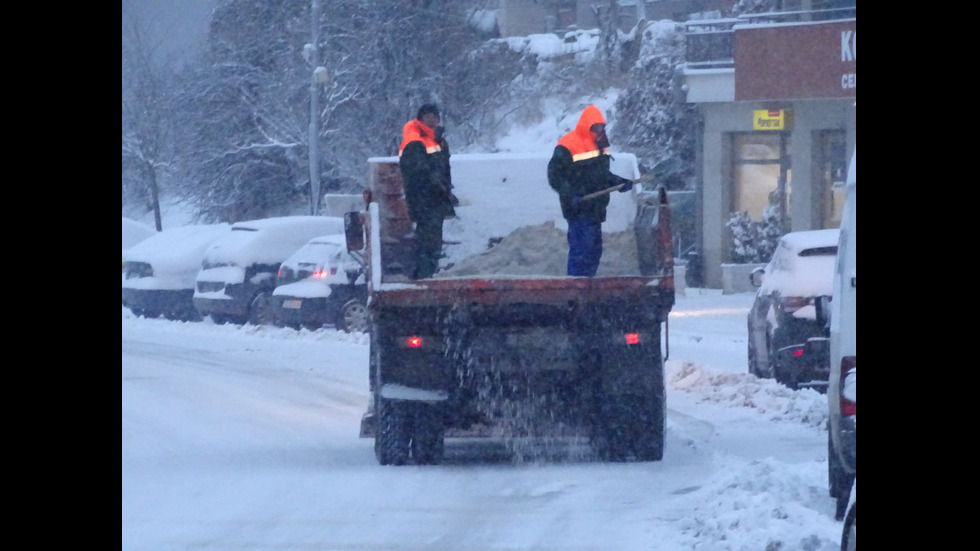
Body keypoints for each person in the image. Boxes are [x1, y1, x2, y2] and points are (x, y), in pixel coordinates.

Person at [547, 104, 633, 277]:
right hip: (578, 208)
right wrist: (570, 193)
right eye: (595, 127)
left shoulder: (599, 145)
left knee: (594, 251)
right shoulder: (568, 144)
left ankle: (587, 285)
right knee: (581, 251)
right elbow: (554, 175)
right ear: (586, 125)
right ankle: (576, 287)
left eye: (601, 126)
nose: (599, 130)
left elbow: (601, 175)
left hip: (595, 209)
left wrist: (618, 182)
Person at [399, 103, 457, 279]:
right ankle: (423, 275)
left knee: (433, 238)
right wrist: (437, 185)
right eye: (427, 116)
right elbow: (417, 168)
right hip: (423, 198)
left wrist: (447, 189)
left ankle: (428, 272)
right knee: (427, 239)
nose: (431, 119)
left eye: (434, 116)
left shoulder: (439, 140)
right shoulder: (414, 138)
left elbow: (444, 168)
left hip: (436, 199)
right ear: (420, 119)